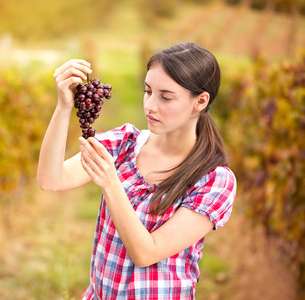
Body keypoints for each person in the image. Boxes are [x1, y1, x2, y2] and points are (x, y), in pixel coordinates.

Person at [37, 42, 237, 299]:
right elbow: (51, 179)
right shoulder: (125, 143)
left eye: (165, 96)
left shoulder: (214, 181)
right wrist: (64, 106)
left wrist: (111, 183)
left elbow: (146, 253)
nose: (150, 105)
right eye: (147, 91)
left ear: (200, 101)